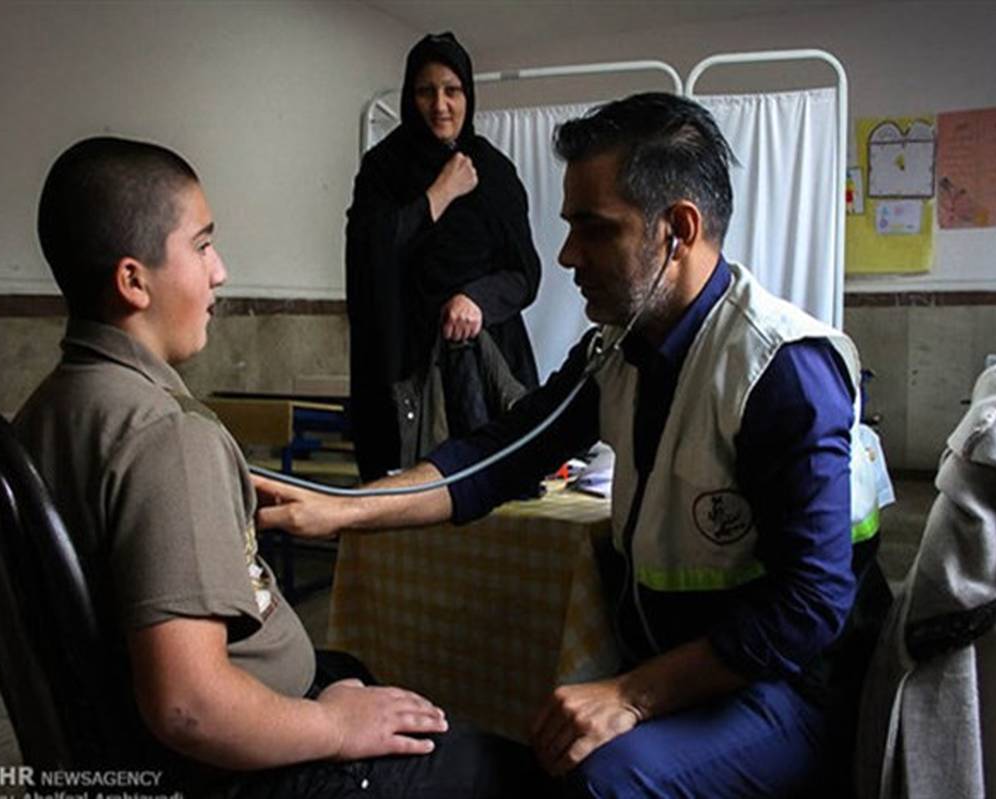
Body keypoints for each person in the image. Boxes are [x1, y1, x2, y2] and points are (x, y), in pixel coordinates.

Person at [255, 93, 892, 798]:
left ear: (678, 230)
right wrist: (340, 509)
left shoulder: (781, 368)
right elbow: (498, 457)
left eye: (594, 229)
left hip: (791, 685)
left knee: (604, 780)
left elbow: (810, 605)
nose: (566, 256)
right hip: (690, 663)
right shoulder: (618, 349)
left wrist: (634, 694)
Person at [15, 136, 545, 798]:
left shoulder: (46, 408)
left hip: (138, 739)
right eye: (203, 246)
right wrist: (333, 726)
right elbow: (189, 706)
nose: (220, 271)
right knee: (513, 773)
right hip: (236, 766)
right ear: (133, 280)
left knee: (350, 669)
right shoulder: (167, 436)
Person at [346, 32, 542, 481]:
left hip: (487, 367)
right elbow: (369, 253)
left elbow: (525, 273)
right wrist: (439, 194)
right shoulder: (383, 169)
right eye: (425, 91)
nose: (440, 105)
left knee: (494, 490)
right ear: (409, 97)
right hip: (403, 366)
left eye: (452, 90)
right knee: (405, 497)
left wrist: (476, 299)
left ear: (468, 95)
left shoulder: (493, 171)